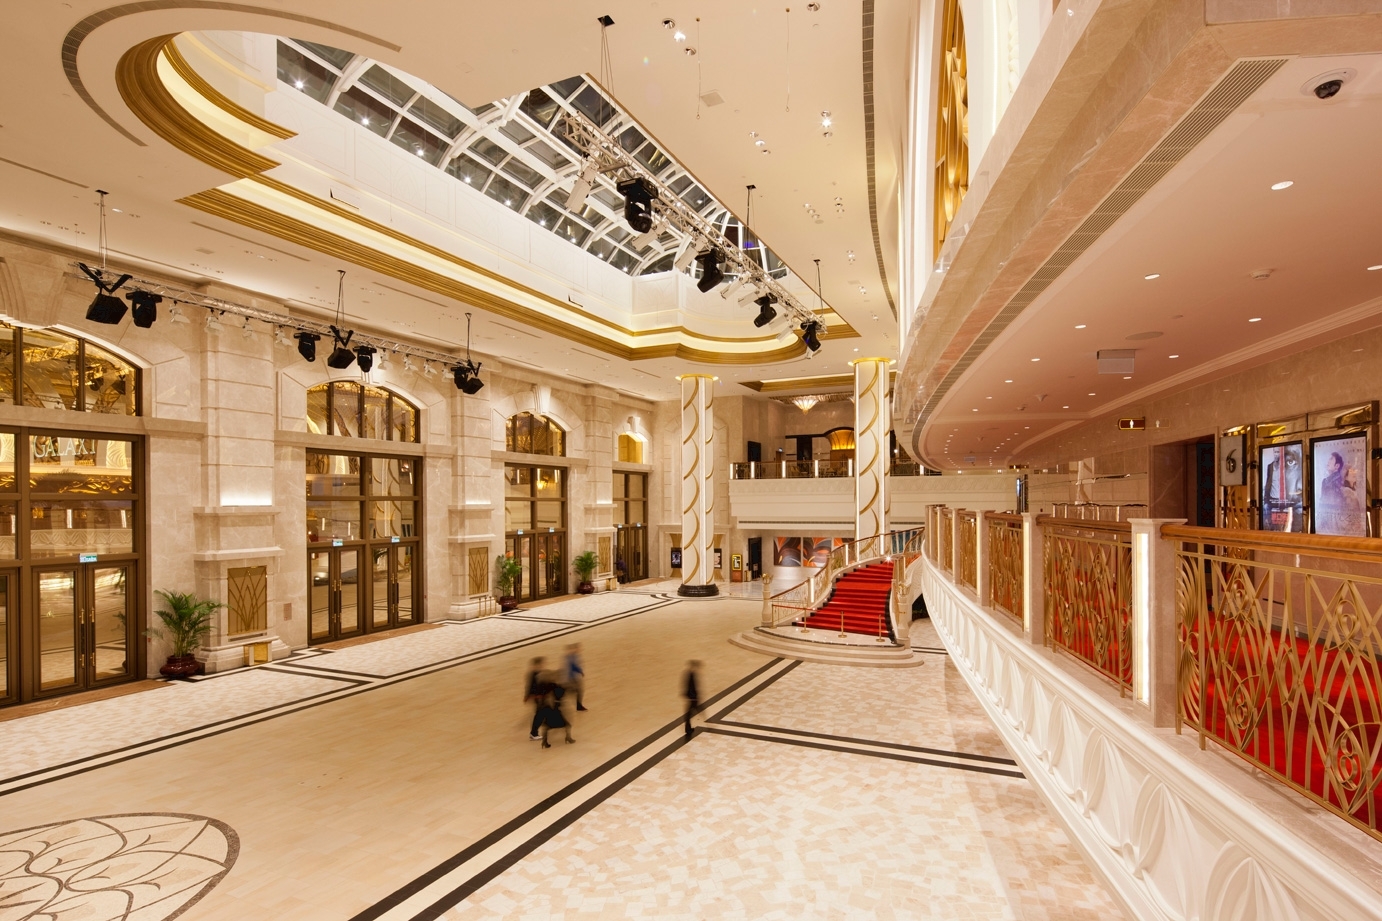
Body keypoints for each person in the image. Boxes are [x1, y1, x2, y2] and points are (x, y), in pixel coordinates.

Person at [537, 684, 575, 748]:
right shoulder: (557, 699)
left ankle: (544, 741)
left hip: (550, 716)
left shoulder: (548, 698)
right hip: (557, 716)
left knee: (546, 727)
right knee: (568, 725)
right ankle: (568, 738)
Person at [525, 656, 546, 741]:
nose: (541, 666)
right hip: (538, 698)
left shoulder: (538, 673)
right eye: (540, 665)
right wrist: (528, 696)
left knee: (540, 714)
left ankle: (534, 732)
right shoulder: (535, 675)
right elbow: (531, 687)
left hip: (540, 697)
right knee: (539, 715)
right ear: (535, 665)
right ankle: (534, 733)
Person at [565, 643, 588, 711]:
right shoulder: (570, 657)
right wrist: (580, 671)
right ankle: (578, 706)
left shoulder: (575, 656)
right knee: (578, 690)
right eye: (577, 648)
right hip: (572, 677)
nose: (579, 649)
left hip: (574, 677)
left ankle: (579, 705)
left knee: (578, 691)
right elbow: (573, 666)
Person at [682, 660, 701, 737]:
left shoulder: (690, 674)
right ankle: (688, 729)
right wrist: (693, 697)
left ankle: (688, 728)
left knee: (689, 713)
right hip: (692, 697)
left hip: (691, 697)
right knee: (689, 713)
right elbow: (691, 686)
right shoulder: (691, 675)